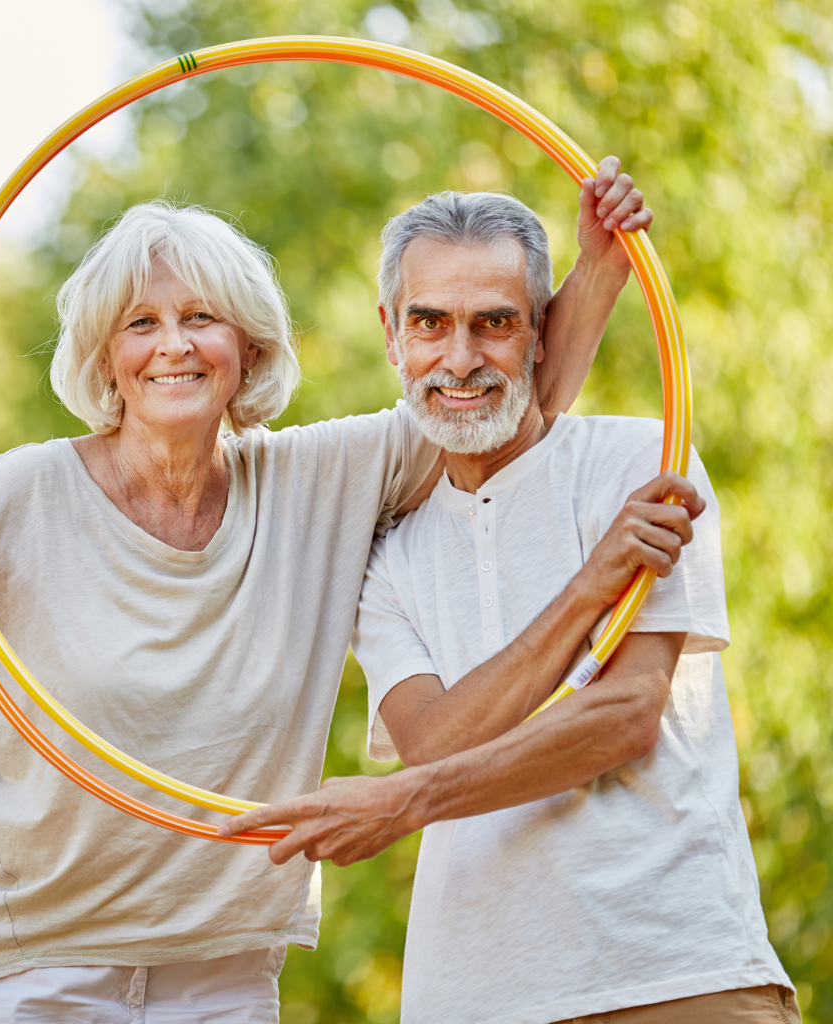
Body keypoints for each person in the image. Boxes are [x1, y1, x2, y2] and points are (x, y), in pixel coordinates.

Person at [0, 164, 653, 1023]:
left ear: (247, 347)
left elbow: (493, 402)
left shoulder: (319, 483)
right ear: (107, 356)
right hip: (20, 967)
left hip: (224, 968)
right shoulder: (17, 497)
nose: (173, 344)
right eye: (142, 323)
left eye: (200, 318)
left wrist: (600, 266)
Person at [222, 192, 799, 1023]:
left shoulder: (639, 463)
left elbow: (627, 715)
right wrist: (591, 586)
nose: (460, 358)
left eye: (495, 323)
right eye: (430, 324)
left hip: (674, 975)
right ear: (391, 332)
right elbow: (434, 743)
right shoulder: (384, 553)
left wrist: (407, 803)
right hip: (472, 999)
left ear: (538, 332)